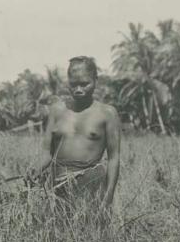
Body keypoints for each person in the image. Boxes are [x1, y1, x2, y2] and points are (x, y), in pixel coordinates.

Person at [28, 56, 121, 219]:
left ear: (95, 80)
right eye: (73, 84)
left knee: (89, 235)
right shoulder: (56, 110)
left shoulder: (107, 113)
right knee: (54, 235)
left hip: (90, 185)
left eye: (84, 84)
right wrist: (36, 169)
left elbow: (114, 158)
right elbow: (47, 153)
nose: (78, 89)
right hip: (56, 185)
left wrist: (108, 198)